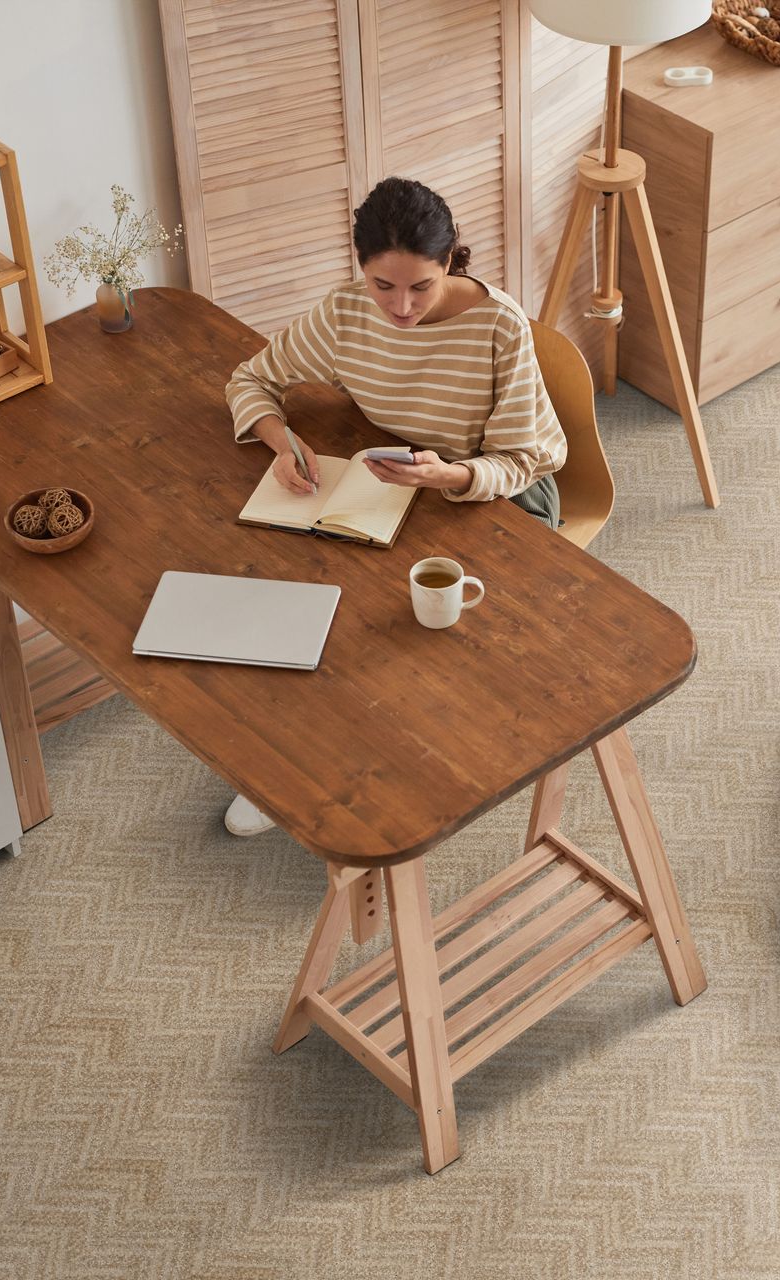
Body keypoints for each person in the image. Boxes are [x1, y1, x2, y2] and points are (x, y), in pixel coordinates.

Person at [217, 176, 567, 837]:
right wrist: (280, 441)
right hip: (392, 487)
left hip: (496, 497)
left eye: (420, 287)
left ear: (450, 261)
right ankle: (293, 769)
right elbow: (252, 378)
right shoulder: (347, 313)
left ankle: (398, 776)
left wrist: (452, 474)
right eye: (384, 286)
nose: (400, 307)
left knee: (402, 630)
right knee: (298, 586)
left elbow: (525, 461)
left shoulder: (499, 326)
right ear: (361, 270)